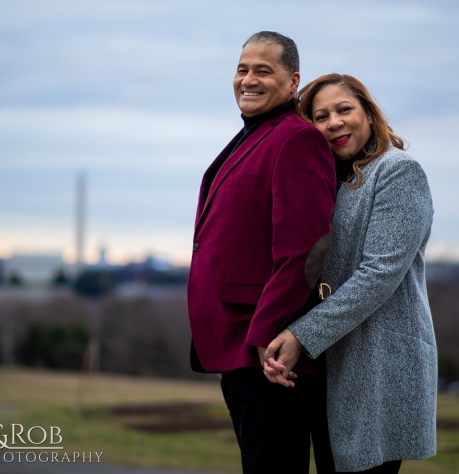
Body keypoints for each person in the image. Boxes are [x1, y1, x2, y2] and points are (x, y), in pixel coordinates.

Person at [263, 74, 437, 473]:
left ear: (369, 114)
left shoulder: (398, 172)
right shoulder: (329, 182)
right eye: (320, 117)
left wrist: (300, 335)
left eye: (344, 110)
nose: (334, 123)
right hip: (331, 362)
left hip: (378, 361)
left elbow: (378, 273)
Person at [186, 31, 337, 474]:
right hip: (238, 350)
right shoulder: (250, 137)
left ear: (293, 82)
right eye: (242, 69)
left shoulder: (297, 140)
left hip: (267, 356)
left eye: (262, 70)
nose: (248, 79)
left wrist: (262, 338)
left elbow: (306, 252)